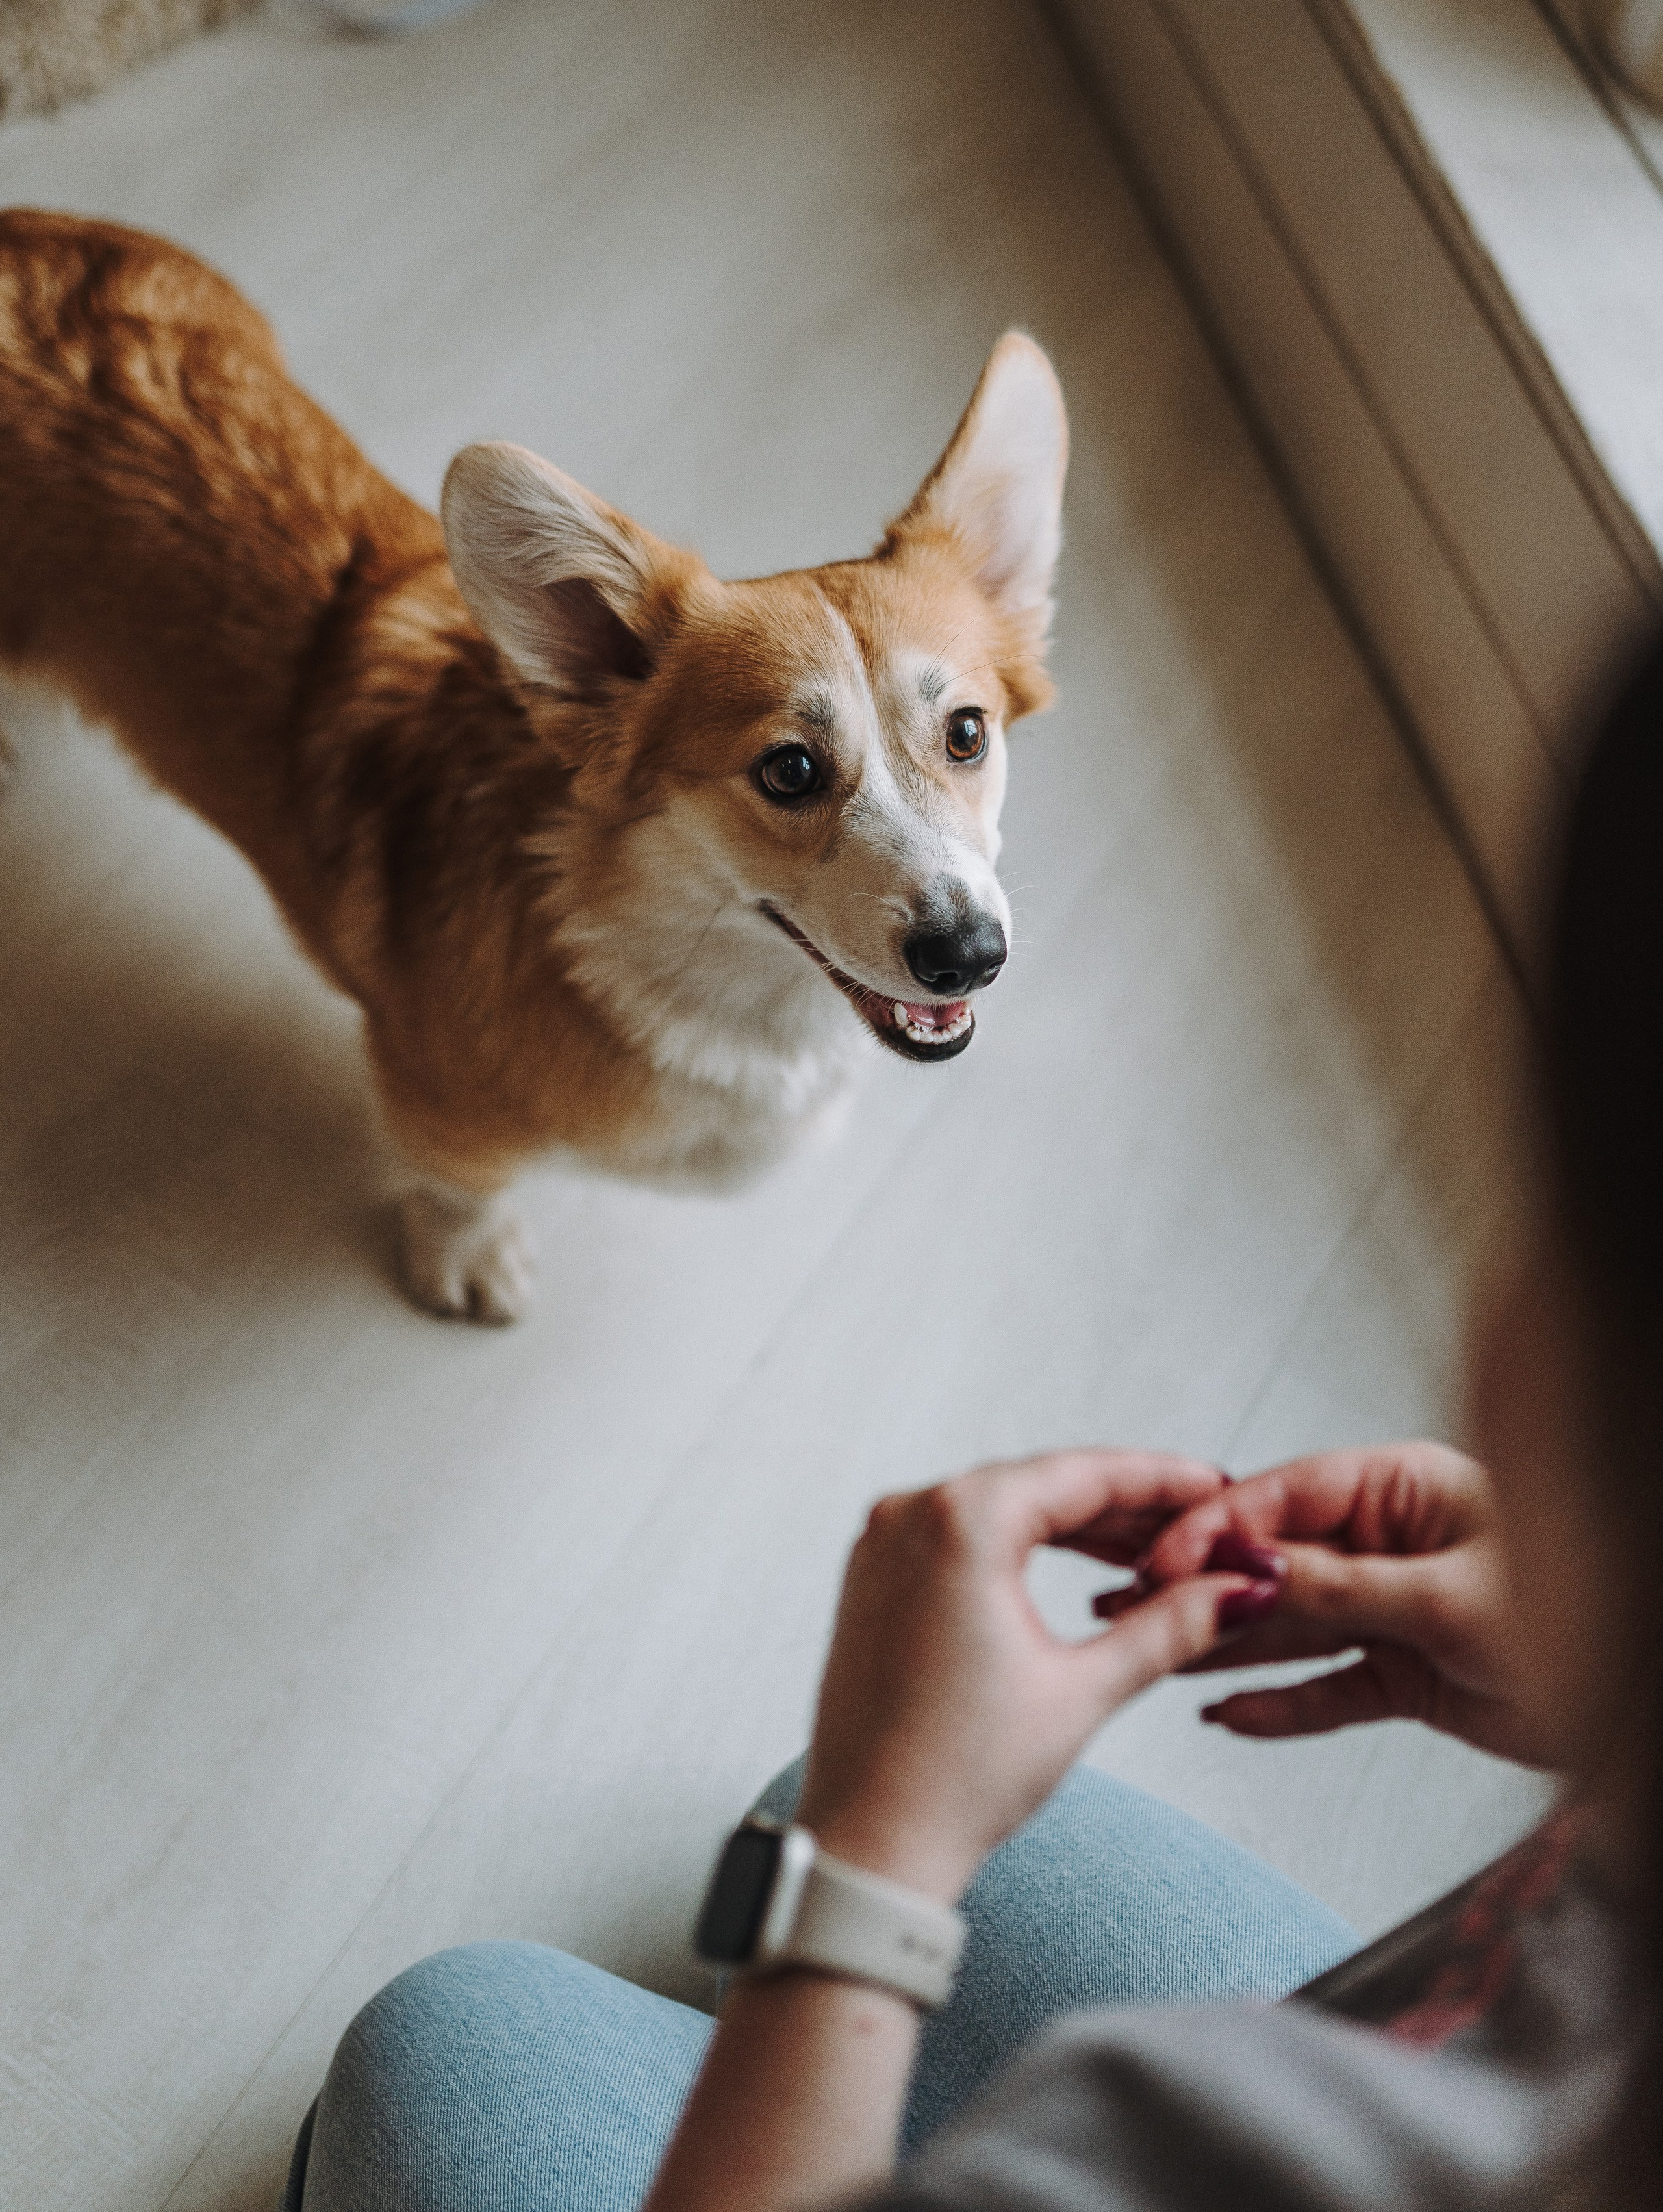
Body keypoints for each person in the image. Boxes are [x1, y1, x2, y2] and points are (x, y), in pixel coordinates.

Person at [283, 631, 1663, 2212]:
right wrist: (1603, 1680)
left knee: (460, 2037)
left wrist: (870, 1867)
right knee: (814, 1802)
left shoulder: (1201, 2145)